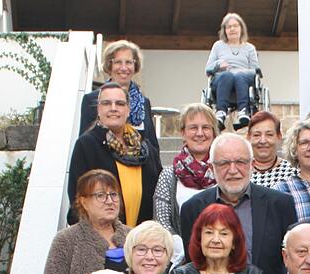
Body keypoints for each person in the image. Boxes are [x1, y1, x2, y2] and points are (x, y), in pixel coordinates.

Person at [181, 133, 297, 274]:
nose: (233, 170)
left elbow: (289, 260)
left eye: (240, 162)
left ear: (252, 164)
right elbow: (194, 264)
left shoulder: (280, 205)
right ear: (211, 167)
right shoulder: (193, 209)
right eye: (224, 163)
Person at [68, 82, 161, 227]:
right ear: (98, 109)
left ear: (128, 110)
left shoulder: (145, 148)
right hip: (102, 240)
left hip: (141, 240)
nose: (113, 108)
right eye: (106, 103)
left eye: (119, 103)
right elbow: (77, 199)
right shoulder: (86, 145)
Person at [43, 169, 130, 274]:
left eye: (114, 195)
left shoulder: (132, 236)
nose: (110, 201)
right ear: (83, 201)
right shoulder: (66, 240)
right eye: (101, 195)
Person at [80, 40, 159, 154]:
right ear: (109, 65)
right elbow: (85, 145)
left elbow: (152, 144)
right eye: (118, 62)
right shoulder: (92, 100)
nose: (123, 68)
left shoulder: (143, 103)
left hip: (138, 167)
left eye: (128, 62)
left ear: (135, 65)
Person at [153, 103, 218, 240]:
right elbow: (162, 221)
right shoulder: (168, 175)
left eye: (205, 127)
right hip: (180, 256)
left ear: (214, 133)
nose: (200, 133)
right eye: (193, 128)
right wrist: (183, 252)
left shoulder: (224, 171)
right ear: (183, 133)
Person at [205, 13, 260, 130]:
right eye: (229, 27)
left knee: (240, 75)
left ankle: (243, 112)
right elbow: (208, 68)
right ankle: (221, 113)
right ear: (224, 30)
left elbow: (256, 71)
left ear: (241, 28)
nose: (232, 29)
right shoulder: (218, 46)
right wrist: (218, 64)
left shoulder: (249, 48)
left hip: (244, 79)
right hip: (222, 79)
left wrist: (243, 71)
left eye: (235, 26)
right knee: (227, 75)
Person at [248, 111, 296, 187]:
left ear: (279, 136)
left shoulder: (292, 172)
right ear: (249, 137)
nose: (263, 141)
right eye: (257, 135)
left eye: (269, 135)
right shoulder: (241, 172)